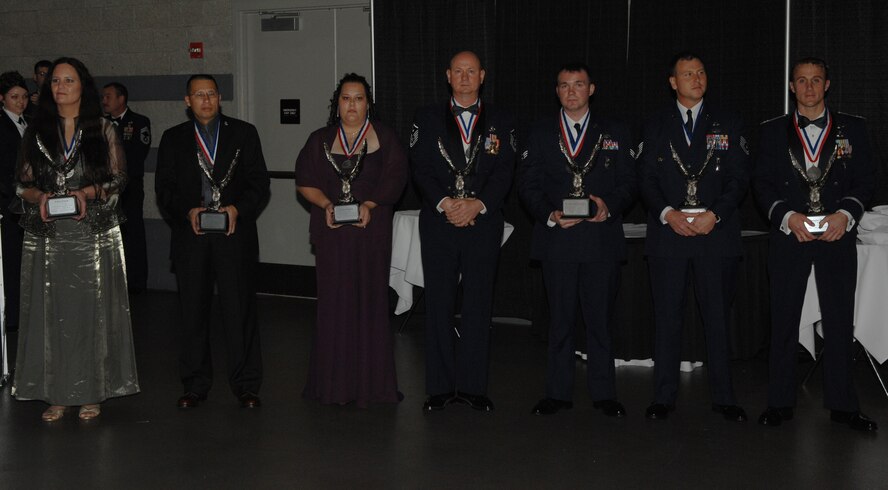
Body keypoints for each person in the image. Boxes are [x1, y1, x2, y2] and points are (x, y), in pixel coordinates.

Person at [11, 57, 139, 421]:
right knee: (51, 315)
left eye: (68, 80)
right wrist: (42, 198)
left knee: (91, 315)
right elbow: (22, 184)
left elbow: (118, 180)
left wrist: (87, 192)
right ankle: (57, 392)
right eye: (55, 81)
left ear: (83, 85)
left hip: (91, 235)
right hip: (50, 236)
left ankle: (91, 391)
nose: (60, 86)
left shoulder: (102, 129)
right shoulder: (36, 132)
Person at [754, 57, 877, 432]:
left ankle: (843, 405)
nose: (808, 88)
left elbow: (868, 179)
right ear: (792, 87)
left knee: (839, 322)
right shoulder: (772, 131)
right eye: (801, 81)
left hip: (837, 234)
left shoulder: (854, 128)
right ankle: (779, 402)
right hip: (792, 234)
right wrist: (787, 218)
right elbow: (761, 183)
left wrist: (846, 215)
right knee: (784, 320)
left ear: (827, 85)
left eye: (816, 80)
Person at [519, 63, 637, 416]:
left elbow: (630, 182)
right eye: (565, 85)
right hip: (559, 240)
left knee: (600, 320)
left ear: (592, 89)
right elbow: (527, 184)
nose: (572, 91)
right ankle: (557, 393)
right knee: (560, 320)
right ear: (556, 91)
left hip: (600, 239)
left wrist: (608, 206)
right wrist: (550, 214)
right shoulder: (540, 132)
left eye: (579, 84)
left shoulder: (614, 131)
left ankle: (604, 394)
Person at [638, 52, 749, 422]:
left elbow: (738, 178)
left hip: (714, 234)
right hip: (669, 234)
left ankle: (725, 397)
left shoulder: (728, 122)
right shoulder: (655, 124)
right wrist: (668, 214)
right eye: (687, 74)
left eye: (701, 72)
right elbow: (645, 179)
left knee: (717, 318)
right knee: (667, 317)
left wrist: (714, 215)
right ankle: (663, 396)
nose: (696, 78)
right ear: (673, 82)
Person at [409, 51, 516, 412]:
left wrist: (478, 204)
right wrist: (444, 202)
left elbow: (505, 171)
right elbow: (420, 168)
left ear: (482, 76)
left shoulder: (501, 119)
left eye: (472, 71)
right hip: (439, 222)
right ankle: (439, 388)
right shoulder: (426, 118)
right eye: (459, 71)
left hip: (483, 223)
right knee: (438, 304)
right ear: (448, 76)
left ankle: (473, 387)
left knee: (477, 306)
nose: (465, 77)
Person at [155, 74, 270, 409]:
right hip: (192, 238)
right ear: (187, 101)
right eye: (198, 94)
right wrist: (186, 211)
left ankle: (246, 385)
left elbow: (259, 183)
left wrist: (238, 209)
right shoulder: (173, 138)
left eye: (211, 94)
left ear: (220, 98)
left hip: (235, 237)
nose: (205, 100)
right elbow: (164, 189)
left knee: (240, 312)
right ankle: (195, 384)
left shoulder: (244, 133)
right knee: (192, 315)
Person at [295, 73, 407, 407]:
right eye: (346, 98)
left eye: (359, 98)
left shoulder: (386, 139)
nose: (352, 105)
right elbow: (304, 181)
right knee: (333, 308)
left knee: (370, 307)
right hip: (332, 238)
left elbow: (396, 179)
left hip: (370, 237)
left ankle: (372, 387)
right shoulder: (319, 140)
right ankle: (332, 386)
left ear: (368, 103)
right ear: (337, 103)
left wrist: (369, 205)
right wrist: (327, 204)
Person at [102, 82, 151, 293]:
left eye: (108, 96)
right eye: (103, 97)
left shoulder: (138, 122)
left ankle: (136, 283)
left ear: (121, 99)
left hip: (129, 187)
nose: (104, 101)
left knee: (132, 234)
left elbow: (136, 154)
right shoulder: (100, 124)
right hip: (105, 189)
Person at [0, 71, 30, 332]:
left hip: (27, 205)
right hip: (8, 205)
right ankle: (11, 317)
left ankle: (24, 313)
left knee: (24, 261)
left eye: (23, 97)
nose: (20, 102)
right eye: (14, 97)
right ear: (2, 99)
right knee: (10, 263)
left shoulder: (27, 123)